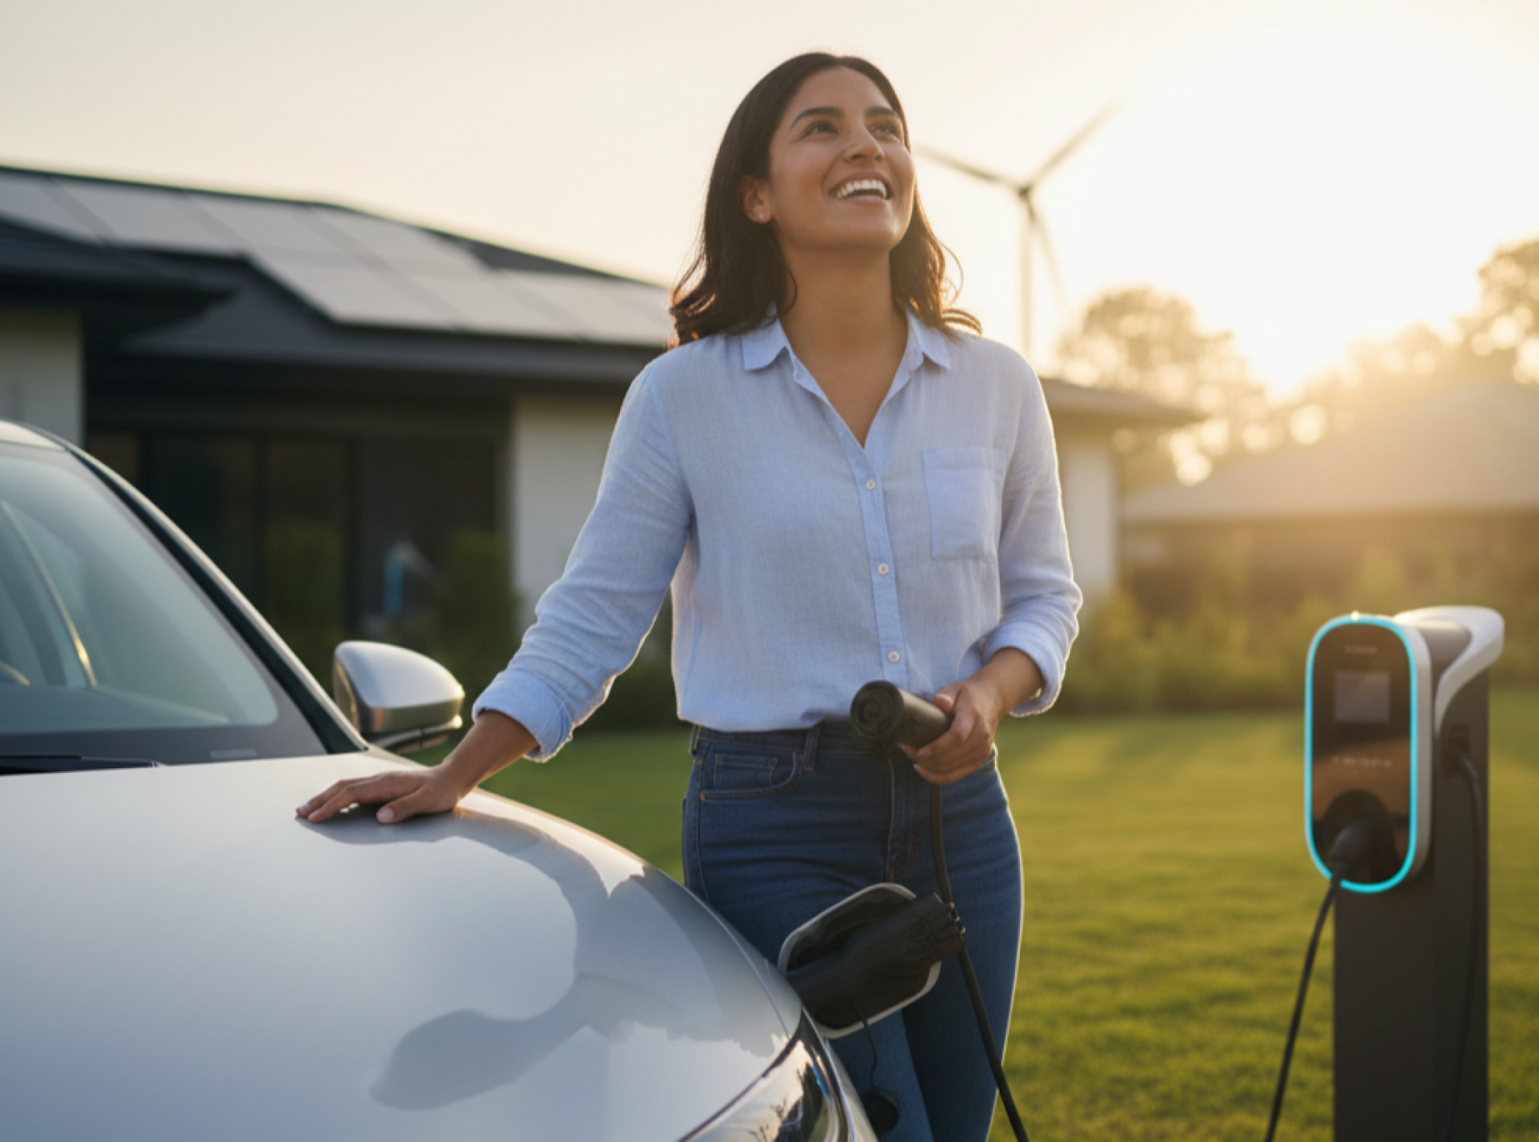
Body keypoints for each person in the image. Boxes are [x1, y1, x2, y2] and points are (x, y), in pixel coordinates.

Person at [297, 51, 1080, 1142]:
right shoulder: (682, 397)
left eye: (885, 125)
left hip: (963, 825)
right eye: (823, 126)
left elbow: (1044, 598)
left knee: (953, 1124)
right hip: (772, 822)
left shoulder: (996, 385)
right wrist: (457, 769)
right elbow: (595, 611)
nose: (867, 144)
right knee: (873, 1125)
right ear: (756, 195)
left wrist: (989, 697)